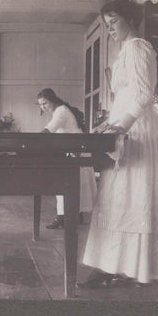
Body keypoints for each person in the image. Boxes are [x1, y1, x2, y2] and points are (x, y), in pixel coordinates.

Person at [78, 0, 158, 288]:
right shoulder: (124, 54)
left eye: (114, 22)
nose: (110, 30)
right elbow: (126, 97)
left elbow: (145, 94)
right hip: (125, 130)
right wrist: (108, 124)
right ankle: (113, 265)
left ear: (130, 19)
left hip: (139, 131)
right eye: (106, 25)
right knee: (117, 197)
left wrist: (123, 126)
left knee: (134, 196)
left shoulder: (138, 47)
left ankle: (133, 268)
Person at [37, 88, 97, 229]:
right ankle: (70, 217)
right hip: (74, 151)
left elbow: (49, 130)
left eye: (44, 103)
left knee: (71, 186)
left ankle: (65, 218)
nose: (43, 107)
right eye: (40, 105)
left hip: (77, 152)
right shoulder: (60, 110)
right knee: (70, 186)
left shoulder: (61, 111)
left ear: (52, 100)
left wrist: (33, 139)